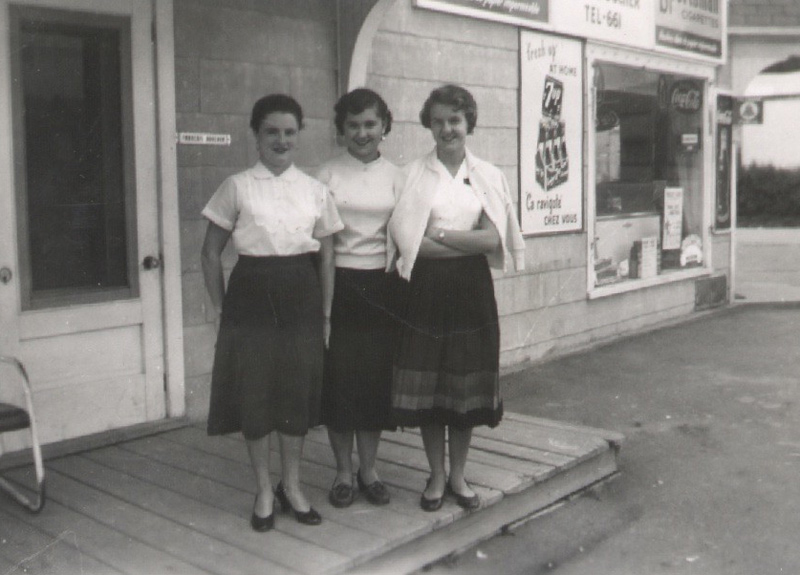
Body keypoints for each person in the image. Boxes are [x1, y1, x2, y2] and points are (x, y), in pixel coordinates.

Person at [201, 94, 343, 532]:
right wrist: (224, 310)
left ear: (298, 136)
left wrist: (325, 312)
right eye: (271, 132)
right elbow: (209, 253)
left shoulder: (315, 190)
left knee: (296, 392)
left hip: (301, 294)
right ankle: (264, 489)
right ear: (256, 136)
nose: (281, 140)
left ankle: (293, 486)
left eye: (289, 132)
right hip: (251, 297)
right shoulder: (237, 186)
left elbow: (327, 256)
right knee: (256, 392)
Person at [387, 84, 526, 512]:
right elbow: (410, 245)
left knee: (463, 387)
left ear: (469, 124)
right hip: (425, 287)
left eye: (455, 120)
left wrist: (441, 234)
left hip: (470, 289)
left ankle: (460, 476)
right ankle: (435, 476)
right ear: (429, 124)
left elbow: (490, 239)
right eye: (439, 120)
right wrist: (445, 241)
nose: (447, 129)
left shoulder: (487, 175)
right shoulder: (411, 174)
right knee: (431, 385)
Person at [316, 88, 400, 508]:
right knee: (339, 382)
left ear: (384, 126)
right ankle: (343, 472)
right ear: (341, 130)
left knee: (373, 382)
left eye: (370, 124)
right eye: (353, 125)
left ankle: (369, 469)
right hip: (340, 284)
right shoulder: (326, 175)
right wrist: (325, 308)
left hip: (383, 288)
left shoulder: (398, 176)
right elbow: (320, 244)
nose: (362, 132)